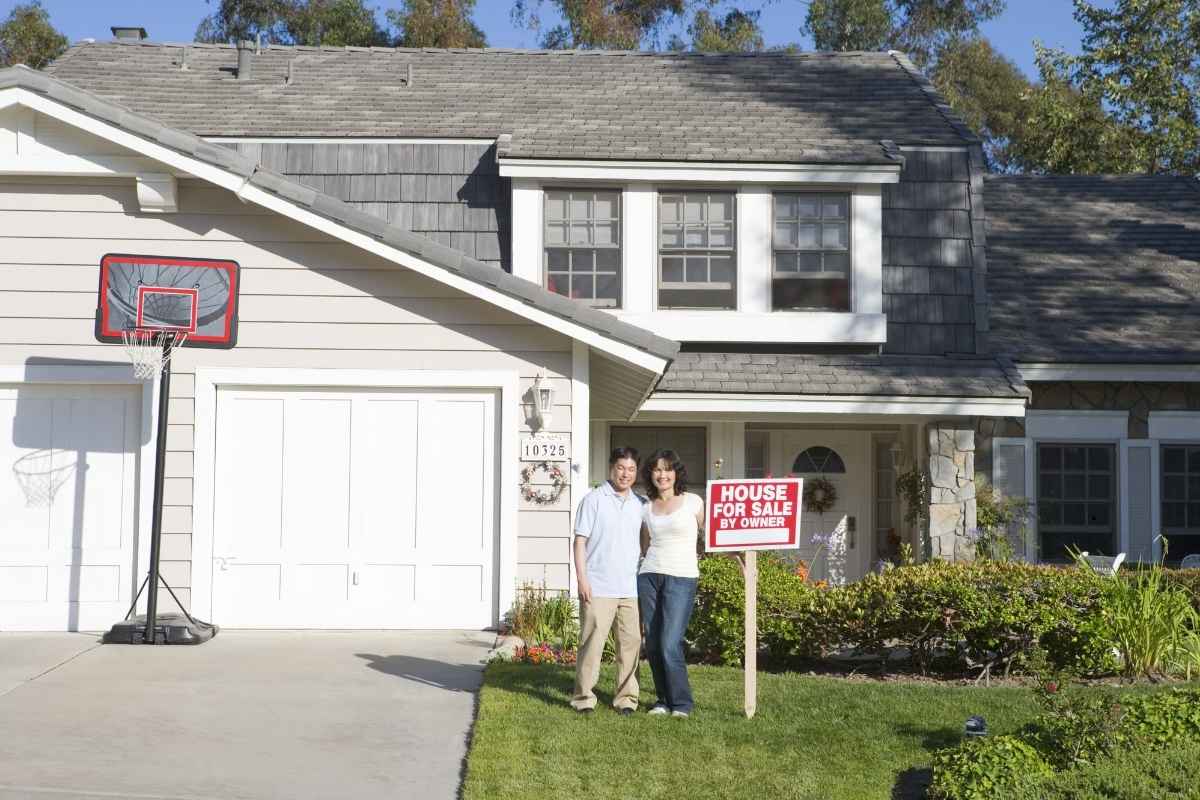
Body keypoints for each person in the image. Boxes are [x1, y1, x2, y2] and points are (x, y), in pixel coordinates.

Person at [570, 447, 645, 715]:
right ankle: (583, 698)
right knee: (592, 644)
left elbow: (644, 544)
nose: (626, 474)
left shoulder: (640, 504)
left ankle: (626, 699)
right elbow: (580, 542)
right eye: (621, 468)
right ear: (611, 468)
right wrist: (582, 579)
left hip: (630, 589)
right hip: (598, 586)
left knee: (630, 644)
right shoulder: (593, 500)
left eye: (631, 469)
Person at [638, 448, 703, 718]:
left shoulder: (693, 502)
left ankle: (682, 703)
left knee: (669, 642)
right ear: (651, 474)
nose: (662, 474)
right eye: (657, 469)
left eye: (667, 469)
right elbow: (645, 545)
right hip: (650, 575)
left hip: (682, 576)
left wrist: (739, 557)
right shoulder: (645, 507)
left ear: (676, 473)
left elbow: (711, 535)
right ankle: (662, 700)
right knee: (652, 643)